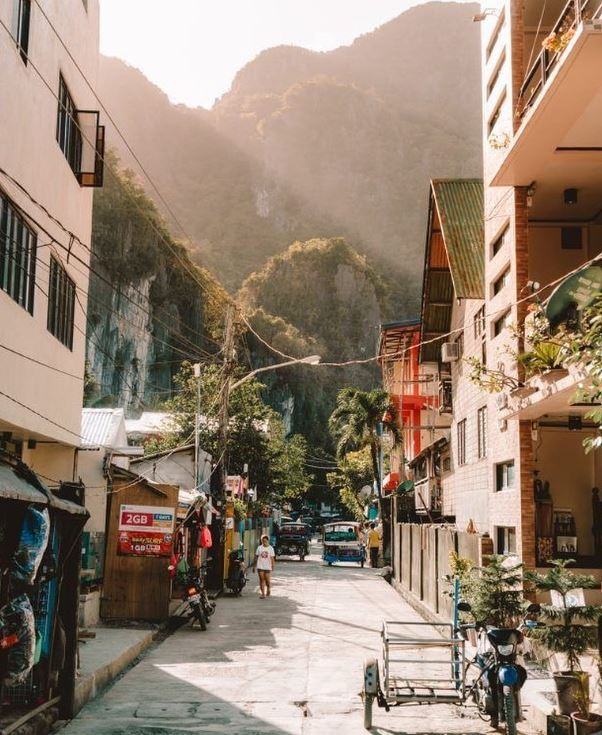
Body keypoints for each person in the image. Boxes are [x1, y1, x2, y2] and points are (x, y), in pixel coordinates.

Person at [253, 534, 275, 599]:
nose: (264, 542)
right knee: (261, 579)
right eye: (263, 541)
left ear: (268, 541)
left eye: (265, 541)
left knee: (267, 580)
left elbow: (272, 558)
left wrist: (273, 565)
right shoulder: (259, 548)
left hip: (268, 566)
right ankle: (263, 594)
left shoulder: (271, 548)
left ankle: (268, 588)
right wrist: (254, 566)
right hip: (260, 566)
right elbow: (256, 557)